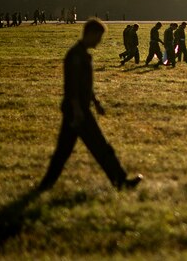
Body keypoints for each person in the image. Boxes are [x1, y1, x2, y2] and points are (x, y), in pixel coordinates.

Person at [37, 20, 142, 191]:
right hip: (77, 111)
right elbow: (71, 86)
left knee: (63, 152)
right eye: (99, 37)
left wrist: (96, 102)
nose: (99, 41)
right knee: (101, 147)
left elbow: (85, 85)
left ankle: (45, 186)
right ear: (91, 33)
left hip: (77, 109)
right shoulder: (75, 56)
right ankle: (121, 182)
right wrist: (78, 110)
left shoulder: (82, 54)